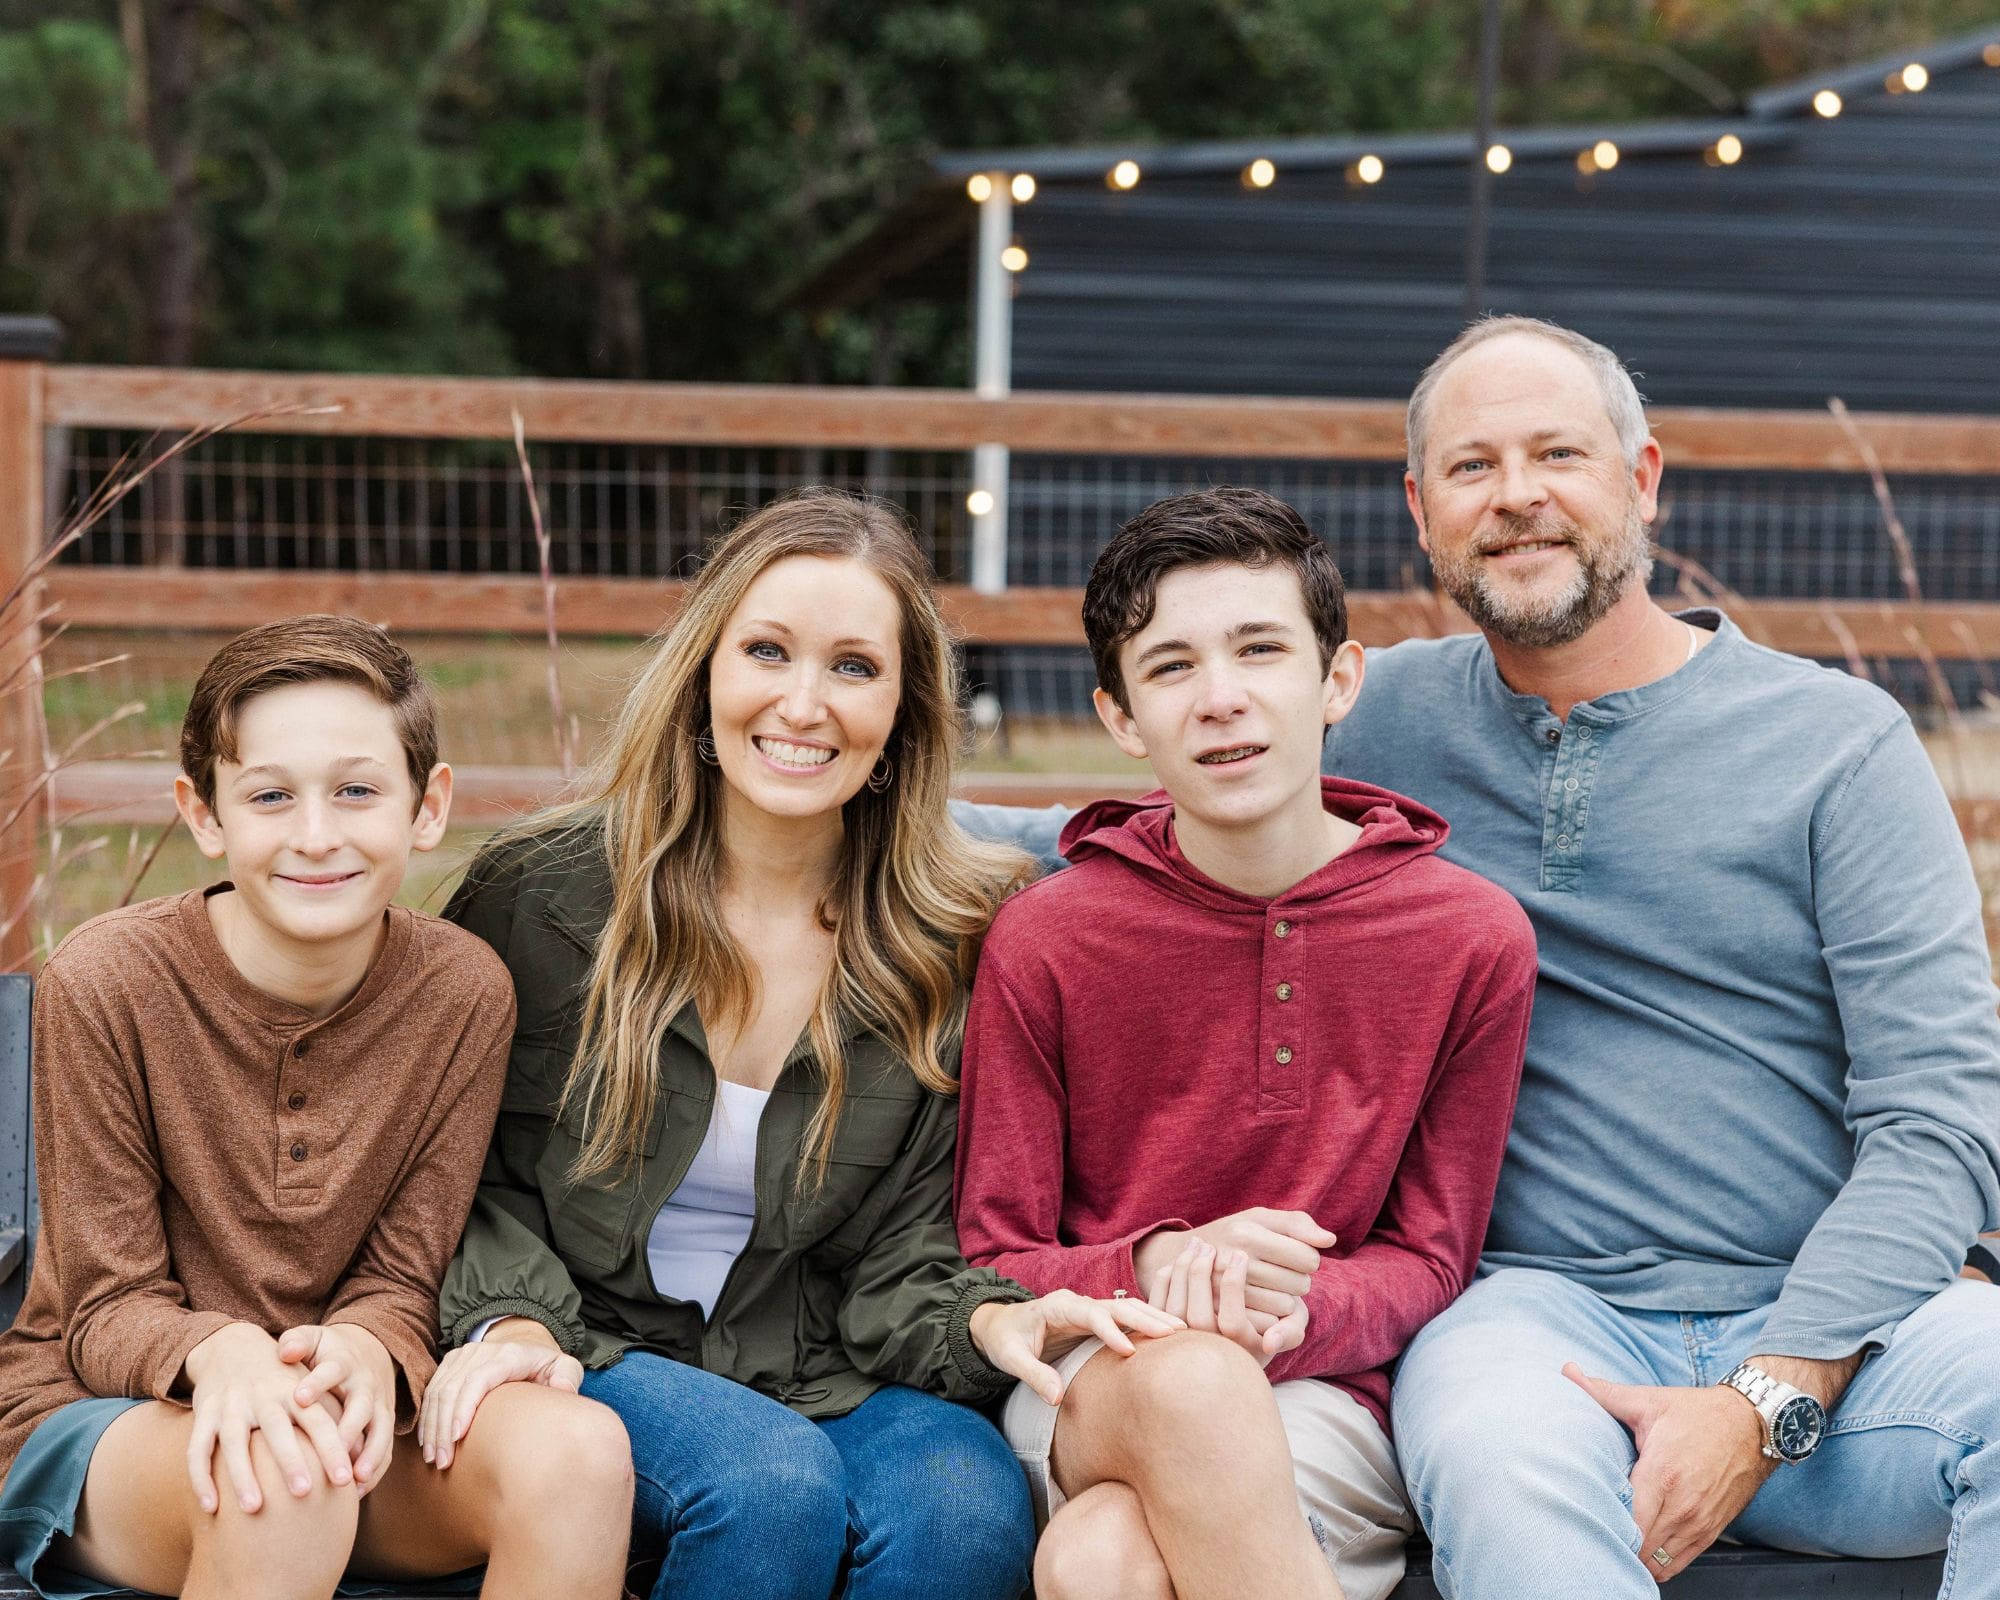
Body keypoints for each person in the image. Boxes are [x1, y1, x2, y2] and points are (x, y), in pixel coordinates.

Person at [1324, 316, 2000, 1596]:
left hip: (1842, 1330)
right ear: (1420, 511)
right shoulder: (1372, 720)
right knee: (1487, 1448)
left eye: (1555, 455)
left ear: (1639, 480)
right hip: (1537, 1316)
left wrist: (1762, 1400)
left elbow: (1938, 1121)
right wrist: (851, 792)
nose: (1514, 495)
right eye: (1470, 467)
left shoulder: (1835, 744)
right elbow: (1162, 825)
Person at [427, 488, 1182, 1600]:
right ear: (704, 675)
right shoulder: (541, 897)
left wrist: (986, 1316)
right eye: (768, 650)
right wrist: (510, 1323)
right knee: (765, 1486)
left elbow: (909, 1256)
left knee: (963, 1513)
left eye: (852, 667)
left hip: (835, 1360)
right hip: (590, 1340)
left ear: (904, 711)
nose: (802, 703)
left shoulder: (956, 941)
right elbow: (459, 1173)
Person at [954, 488, 1538, 1600]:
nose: (1220, 699)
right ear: (1120, 718)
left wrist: (1290, 1313)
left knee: (1096, 1563)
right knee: (1189, 1388)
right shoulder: (1046, 938)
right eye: (1169, 667)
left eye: (1259, 650)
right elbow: (991, 1251)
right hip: (1092, 1368)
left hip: (1323, 1389)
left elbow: (1431, 1252)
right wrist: (1152, 1267)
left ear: (1335, 680)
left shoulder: (1467, 939)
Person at [0, 616, 634, 1600]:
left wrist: (367, 1345)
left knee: (578, 1456)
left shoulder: (463, 993)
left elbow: (406, 1265)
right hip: (111, 1416)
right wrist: (223, 1353)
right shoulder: (111, 980)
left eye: (356, 789)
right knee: (278, 1477)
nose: (315, 833)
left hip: (351, 1419)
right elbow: (101, 1307)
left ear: (428, 806)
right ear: (204, 814)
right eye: (269, 794)